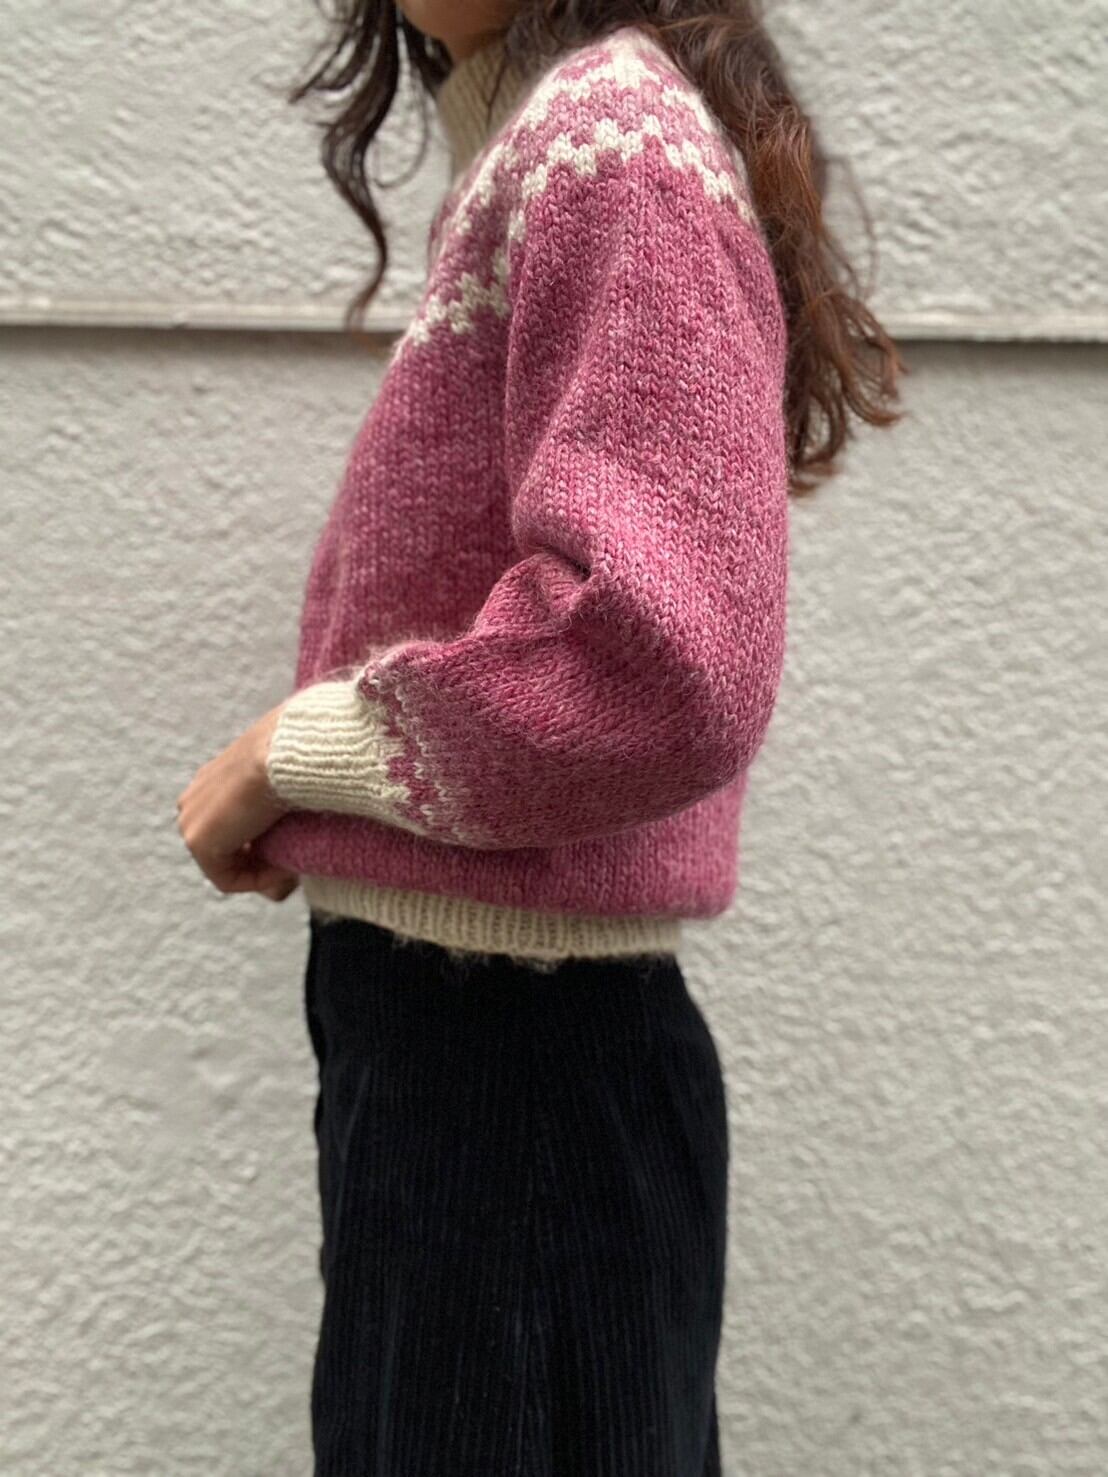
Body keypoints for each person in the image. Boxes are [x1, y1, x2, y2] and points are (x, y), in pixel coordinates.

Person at [176, 2, 904, 1471]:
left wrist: (291, 756)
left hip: (508, 1079)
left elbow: (664, 658)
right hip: (481, 1059)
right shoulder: (557, 146)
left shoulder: (608, 139)